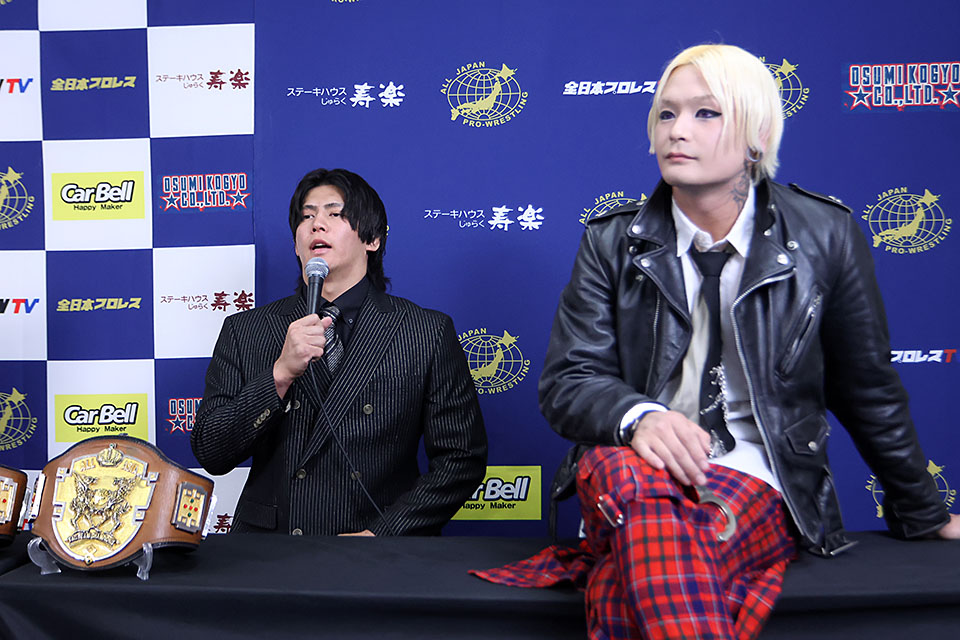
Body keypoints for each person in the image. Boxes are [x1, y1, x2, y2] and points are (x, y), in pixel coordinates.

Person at [475, 44, 959, 638]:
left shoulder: (825, 235)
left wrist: (921, 510)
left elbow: (867, 386)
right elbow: (569, 382)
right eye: (666, 113)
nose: (677, 130)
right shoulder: (611, 242)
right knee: (636, 484)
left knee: (644, 545)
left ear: (757, 134)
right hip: (632, 462)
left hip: (755, 474)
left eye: (706, 113)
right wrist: (641, 418)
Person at [192, 168, 487, 537]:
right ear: (296, 244)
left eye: (335, 213)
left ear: (373, 239)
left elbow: (461, 459)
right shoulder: (247, 330)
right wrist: (280, 375)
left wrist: (383, 535)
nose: (317, 224)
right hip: (271, 551)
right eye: (307, 216)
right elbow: (211, 451)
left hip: (378, 554)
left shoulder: (424, 331)